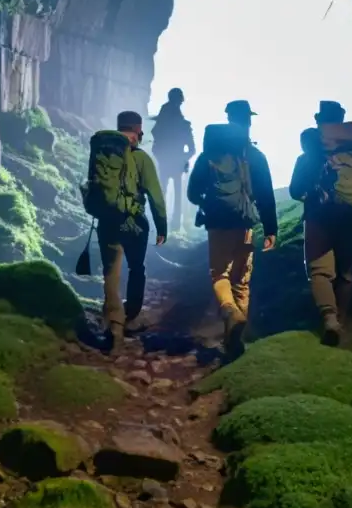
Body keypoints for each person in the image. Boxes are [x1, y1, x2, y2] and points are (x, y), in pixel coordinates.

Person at [187, 100, 278, 358]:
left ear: (228, 119)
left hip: (217, 223)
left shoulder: (209, 155)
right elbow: (266, 195)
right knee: (241, 281)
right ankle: (234, 340)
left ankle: (229, 312)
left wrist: (207, 202)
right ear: (248, 121)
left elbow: (193, 192)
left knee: (219, 275)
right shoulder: (255, 156)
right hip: (245, 223)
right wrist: (271, 229)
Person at [289, 100, 352, 346]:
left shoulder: (309, 154)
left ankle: (329, 319)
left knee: (320, 271)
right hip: (349, 218)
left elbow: (295, 190)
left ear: (319, 123)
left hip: (318, 218)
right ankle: (342, 320)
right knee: (345, 272)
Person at [81, 111, 168, 352]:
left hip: (107, 221)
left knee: (111, 274)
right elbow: (156, 197)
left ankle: (114, 327)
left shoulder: (103, 151)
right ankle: (130, 315)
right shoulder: (142, 158)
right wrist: (162, 226)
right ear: (138, 131)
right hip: (135, 223)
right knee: (136, 268)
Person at [150, 88, 196, 234]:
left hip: (167, 161)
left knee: (163, 191)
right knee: (174, 193)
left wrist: (162, 156)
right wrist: (183, 159)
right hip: (174, 162)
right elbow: (192, 149)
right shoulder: (181, 124)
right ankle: (173, 225)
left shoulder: (164, 120)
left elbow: (155, 140)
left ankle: (162, 223)